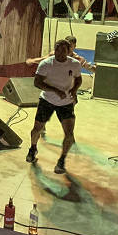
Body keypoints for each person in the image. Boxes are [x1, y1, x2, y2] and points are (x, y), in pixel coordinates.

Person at [25, 39, 82, 174]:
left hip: (66, 103)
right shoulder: (46, 64)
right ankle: (33, 148)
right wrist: (55, 91)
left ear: (69, 52)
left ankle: (61, 160)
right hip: (47, 100)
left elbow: (78, 79)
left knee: (69, 134)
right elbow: (37, 83)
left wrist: (74, 90)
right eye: (58, 49)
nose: (60, 52)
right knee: (36, 129)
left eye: (63, 50)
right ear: (54, 50)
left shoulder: (74, 64)